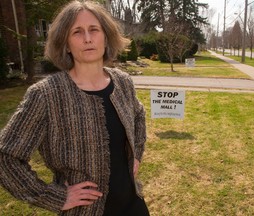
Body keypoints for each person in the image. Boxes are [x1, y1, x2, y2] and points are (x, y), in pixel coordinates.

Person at [0, 1, 150, 215]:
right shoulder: (46, 95)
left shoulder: (123, 82)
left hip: (133, 205)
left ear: (105, 37)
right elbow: (6, 157)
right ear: (66, 44)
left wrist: (136, 155)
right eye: (77, 32)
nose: (88, 38)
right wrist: (55, 196)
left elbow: (138, 116)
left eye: (94, 30)